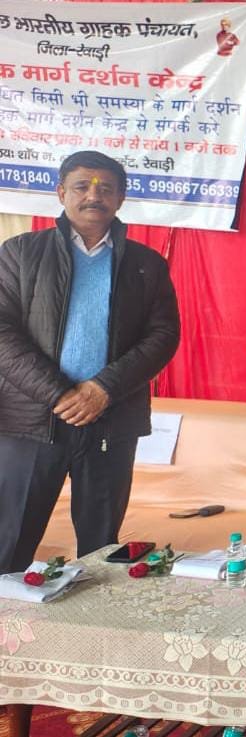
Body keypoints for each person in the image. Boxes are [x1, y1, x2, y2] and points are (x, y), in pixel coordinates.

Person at [0, 150, 180, 574]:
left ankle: (92, 622)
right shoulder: (20, 252)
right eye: (82, 186)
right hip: (32, 420)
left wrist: (103, 389)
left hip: (110, 422)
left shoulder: (146, 264)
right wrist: (59, 394)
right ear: (61, 192)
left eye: (106, 188)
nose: (94, 196)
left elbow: (163, 337)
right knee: (9, 542)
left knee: (100, 552)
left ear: (121, 198)